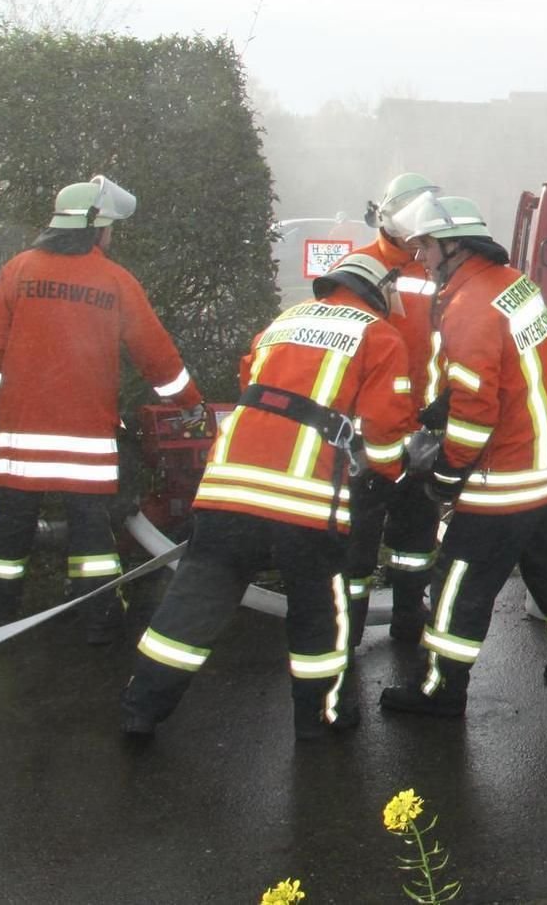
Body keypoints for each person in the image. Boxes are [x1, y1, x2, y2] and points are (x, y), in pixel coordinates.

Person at [120, 253, 416, 741]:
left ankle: (141, 709)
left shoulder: (284, 321)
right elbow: (386, 430)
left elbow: (253, 387)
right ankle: (319, 719)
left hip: (227, 490)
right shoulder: (380, 335)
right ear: (375, 293)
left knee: (193, 604)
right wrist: (387, 473)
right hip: (302, 503)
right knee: (318, 611)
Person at [378, 193, 547, 719]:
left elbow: (476, 412)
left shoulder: (469, 307)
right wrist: (446, 402)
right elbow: (509, 371)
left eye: (429, 248)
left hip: (507, 478)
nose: (423, 259)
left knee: (460, 583)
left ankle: (440, 693)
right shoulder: (513, 286)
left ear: (455, 245)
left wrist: (447, 471)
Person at [0, 175, 205, 643]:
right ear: (96, 229)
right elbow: (157, 358)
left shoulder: (18, 270)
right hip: (87, 446)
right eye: (111, 228)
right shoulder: (115, 282)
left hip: (19, 443)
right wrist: (191, 404)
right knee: (92, 539)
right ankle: (97, 622)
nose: (112, 236)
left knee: (4, 537)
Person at [343, 171, 444, 648]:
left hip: (418, 429)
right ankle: (346, 633)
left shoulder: (433, 267)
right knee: (356, 541)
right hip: (365, 436)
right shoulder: (359, 269)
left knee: (416, 539)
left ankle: (410, 617)